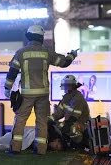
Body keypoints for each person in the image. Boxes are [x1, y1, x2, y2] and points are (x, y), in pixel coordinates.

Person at [4, 25, 79, 155]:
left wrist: (7, 88)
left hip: (27, 94)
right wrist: (72, 54)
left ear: (29, 36)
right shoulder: (46, 52)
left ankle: (15, 149)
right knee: (42, 122)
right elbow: (65, 62)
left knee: (20, 120)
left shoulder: (21, 53)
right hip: (43, 94)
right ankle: (40, 150)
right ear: (41, 37)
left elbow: (13, 72)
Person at [48, 75, 90, 150]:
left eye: (66, 86)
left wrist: (66, 125)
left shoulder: (78, 98)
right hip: (69, 122)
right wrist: (49, 120)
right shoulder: (66, 98)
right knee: (57, 126)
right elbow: (59, 113)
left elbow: (75, 115)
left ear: (71, 86)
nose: (64, 88)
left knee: (71, 128)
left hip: (81, 123)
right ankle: (62, 143)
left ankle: (78, 145)